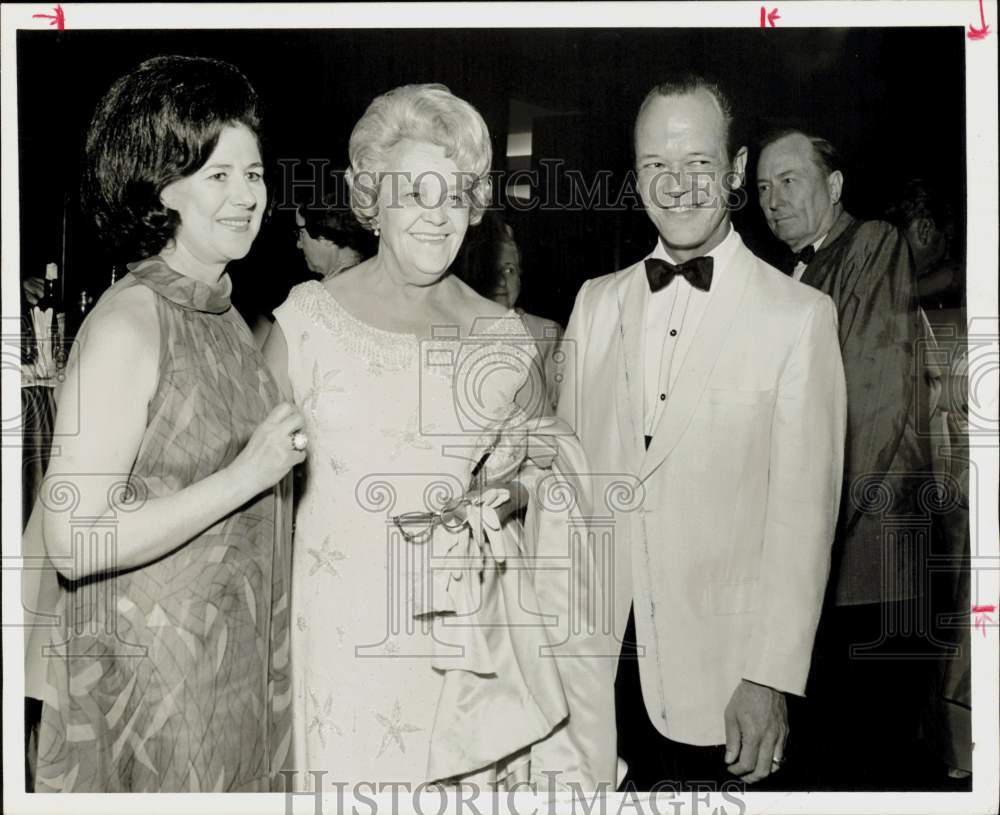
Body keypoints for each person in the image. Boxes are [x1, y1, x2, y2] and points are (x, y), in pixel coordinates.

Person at [263, 83, 614, 790]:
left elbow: (556, 482)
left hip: (457, 665)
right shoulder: (304, 325)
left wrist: (508, 494)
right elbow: (253, 509)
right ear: (372, 198)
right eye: (414, 192)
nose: (436, 216)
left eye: (454, 195)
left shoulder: (505, 340)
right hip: (328, 650)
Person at [557, 74, 846, 791]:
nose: (678, 184)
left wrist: (768, 677)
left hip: (720, 681)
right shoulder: (595, 303)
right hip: (592, 671)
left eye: (698, 163)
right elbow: (568, 480)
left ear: (737, 169)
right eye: (657, 165)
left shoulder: (799, 318)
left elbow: (803, 521)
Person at [26, 55, 305, 792]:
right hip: (152, 701)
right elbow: (71, 542)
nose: (247, 196)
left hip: (228, 682)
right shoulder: (133, 321)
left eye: (253, 173)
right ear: (160, 189)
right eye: (218, 176)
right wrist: (247, 474)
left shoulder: (223, 314)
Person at [756, 129, 939, 788]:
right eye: (763, 188)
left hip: (871, 561)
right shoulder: (785, 276)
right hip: (826, 565)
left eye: (790, 180)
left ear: (834, 187)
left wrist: (804, 536)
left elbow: (871, 402)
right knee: (828, 760)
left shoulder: (871, 245)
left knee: (876, 762)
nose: (774, 200)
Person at [455, 211, 564, 413]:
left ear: (521, 277)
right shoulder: (456, 327)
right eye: (491, 269)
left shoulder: (546, 333)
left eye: (509, 270)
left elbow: (564, 408)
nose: (501, 281)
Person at [294, 195, 376, 280]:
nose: (298, 244)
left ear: (325, 237)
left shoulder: (312, 292)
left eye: (301, 233)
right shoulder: (377, 275)